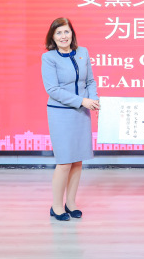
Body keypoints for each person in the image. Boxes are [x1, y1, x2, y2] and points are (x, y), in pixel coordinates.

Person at [41, 17, 100, 221]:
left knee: (77, 161)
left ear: (72, 33)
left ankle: (71, 203)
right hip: (61, 113)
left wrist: (93, 100)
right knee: (64, 162)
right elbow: (53, 89)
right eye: (58, 33)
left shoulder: (83, 52)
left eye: (66, 31)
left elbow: (90, 81)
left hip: (81, 112)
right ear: (52, 37)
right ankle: (56, 206)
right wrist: (82, 101)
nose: (63, 36)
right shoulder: (48, 58)